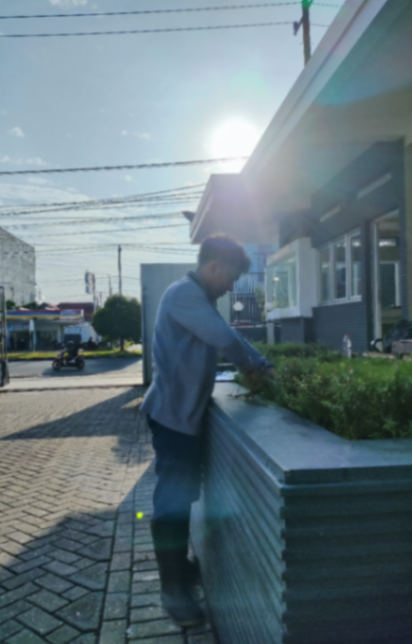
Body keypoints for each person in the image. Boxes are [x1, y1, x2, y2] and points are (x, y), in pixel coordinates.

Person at [141, 233, 274, 627]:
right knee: (173, 500)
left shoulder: (198, 297)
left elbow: (221, 338)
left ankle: (179, 568)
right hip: (172, 417)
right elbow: (224, 338)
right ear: (214, 266)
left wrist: (257, 365)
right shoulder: (184, 294)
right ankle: (172, 589)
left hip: (183, 416)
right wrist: (258, 367)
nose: (231, 286)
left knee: (182, 495)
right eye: (231, 277)